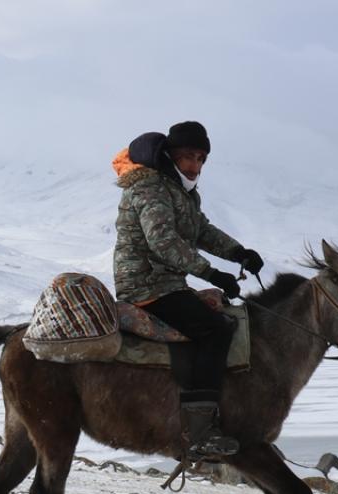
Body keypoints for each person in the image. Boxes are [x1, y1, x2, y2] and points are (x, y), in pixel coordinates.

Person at [111, 121, 264, 457]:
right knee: (215, 331)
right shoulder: (150, 189)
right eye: (188, 157)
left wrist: (239, 253)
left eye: (201, 159)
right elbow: (162, 241)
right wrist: (211, 273)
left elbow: (202, 231)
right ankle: (200, 431)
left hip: (167, 284)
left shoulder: (181, 193)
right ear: (170, 156)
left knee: (223, 315)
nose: (194, 166)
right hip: (145, 286)